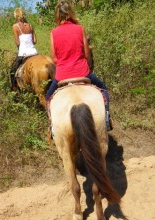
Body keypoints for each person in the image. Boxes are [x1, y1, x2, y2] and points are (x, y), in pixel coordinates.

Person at [45, 0, 112, 131]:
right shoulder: (80, 29)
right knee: (103, 88)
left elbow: (54, 58)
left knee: (48, 97)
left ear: (57, 15)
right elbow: (87, 54)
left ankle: (52, 127)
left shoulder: (53, 33)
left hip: (62, 75)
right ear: (70, 12)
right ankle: (107, 119)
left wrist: (63, 64)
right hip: (83, 72)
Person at [10, 7, 38, 91]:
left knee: (12, 71)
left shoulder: (15, 26)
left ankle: (15, 89)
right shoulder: (30, 26)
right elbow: (35, 41)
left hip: (23, 53)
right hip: (34, 52)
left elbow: (17, 43)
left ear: (16, 16)